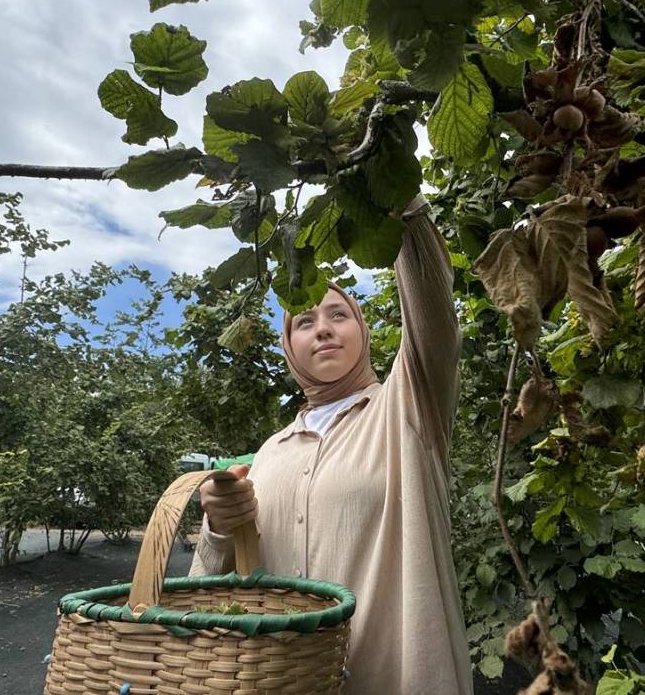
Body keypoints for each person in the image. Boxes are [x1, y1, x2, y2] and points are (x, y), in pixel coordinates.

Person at [189, 195, 474, 695]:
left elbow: (433, 316)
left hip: (393, 677)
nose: (322, 327)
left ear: (362, 332)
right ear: (289, 348)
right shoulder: (271, 451)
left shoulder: (407, 407)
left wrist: (397, 199)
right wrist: (217, 525)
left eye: (338, 314)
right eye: (304, 321)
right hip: (284, 682)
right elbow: (214, 588)